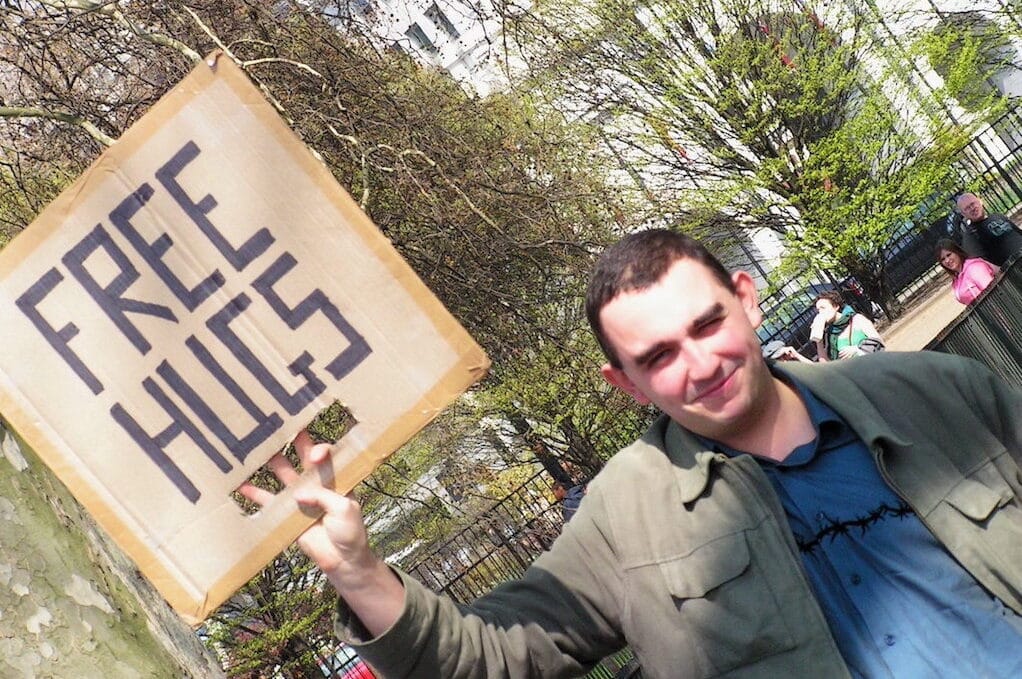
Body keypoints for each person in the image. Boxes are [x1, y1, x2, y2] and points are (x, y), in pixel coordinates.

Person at [243, 229, 1022, 679]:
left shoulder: (938, 393)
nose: (700, 362)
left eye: (707, 323)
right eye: (658, 356)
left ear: (747, 299)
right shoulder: (627, 517)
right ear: (626, 383)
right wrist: (360, 572)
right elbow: (488, 659)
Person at [812, 290, 883, 361]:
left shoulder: (857, 319)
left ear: (836, 306)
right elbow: (828, 365)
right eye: (818, 310)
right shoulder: (830, 334)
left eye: (823, 308)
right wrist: (818, 340)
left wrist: (856, 349)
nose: (821, 313)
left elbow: (879, 342)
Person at [956, 192, 1022, 267]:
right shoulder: (971, 236)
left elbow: (1018, 232)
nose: (972, 208)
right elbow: (983, 265)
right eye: (967, 208)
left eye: (973, 204)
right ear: (963, 214)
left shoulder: (998, 216)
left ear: (980, 201)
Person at [936, 238, 999, 305]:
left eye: (949, 255)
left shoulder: (974, 268)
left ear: (957, 251)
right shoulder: (956, 281)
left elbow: (994, 293)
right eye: (943, 259)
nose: (947, 260)